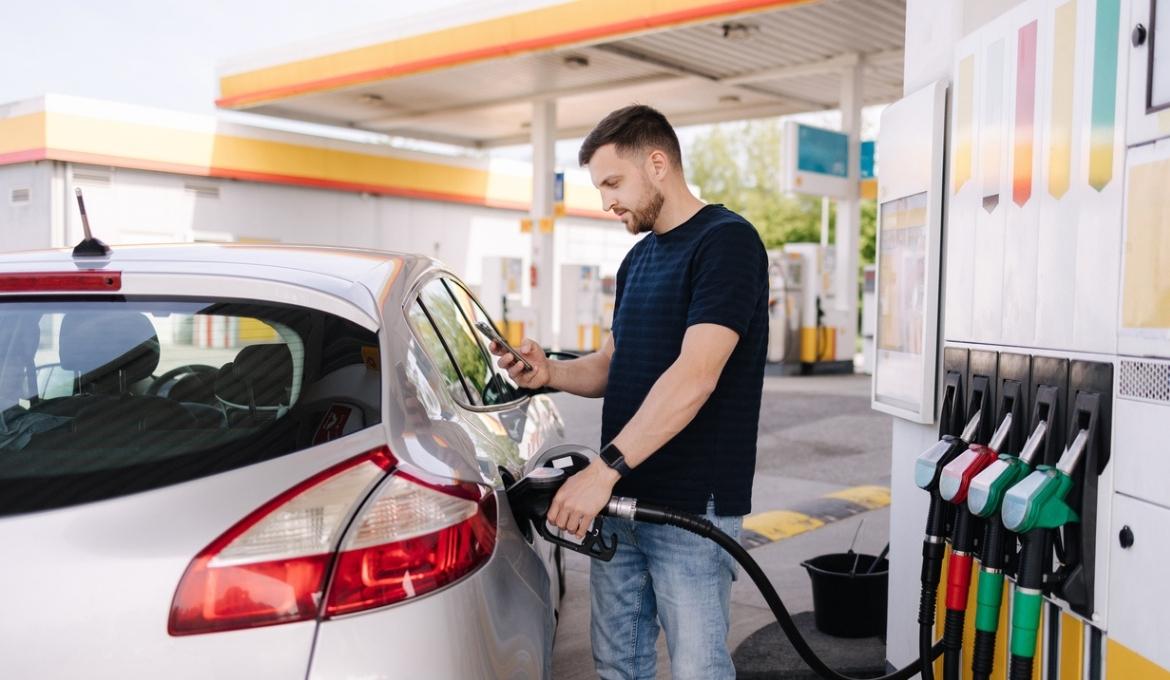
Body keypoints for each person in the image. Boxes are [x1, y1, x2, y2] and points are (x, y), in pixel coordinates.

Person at [491, 104, 768, 680]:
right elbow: (613, 365)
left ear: (659, 163)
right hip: (620, 501)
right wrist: (550, 374)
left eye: (613, 182)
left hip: (691, 506)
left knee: (698, 669)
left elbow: (696, 375)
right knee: (618, 662)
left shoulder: (727, 243)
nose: (606, 201)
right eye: (600, 187)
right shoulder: (637, 259)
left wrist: (602, 469)